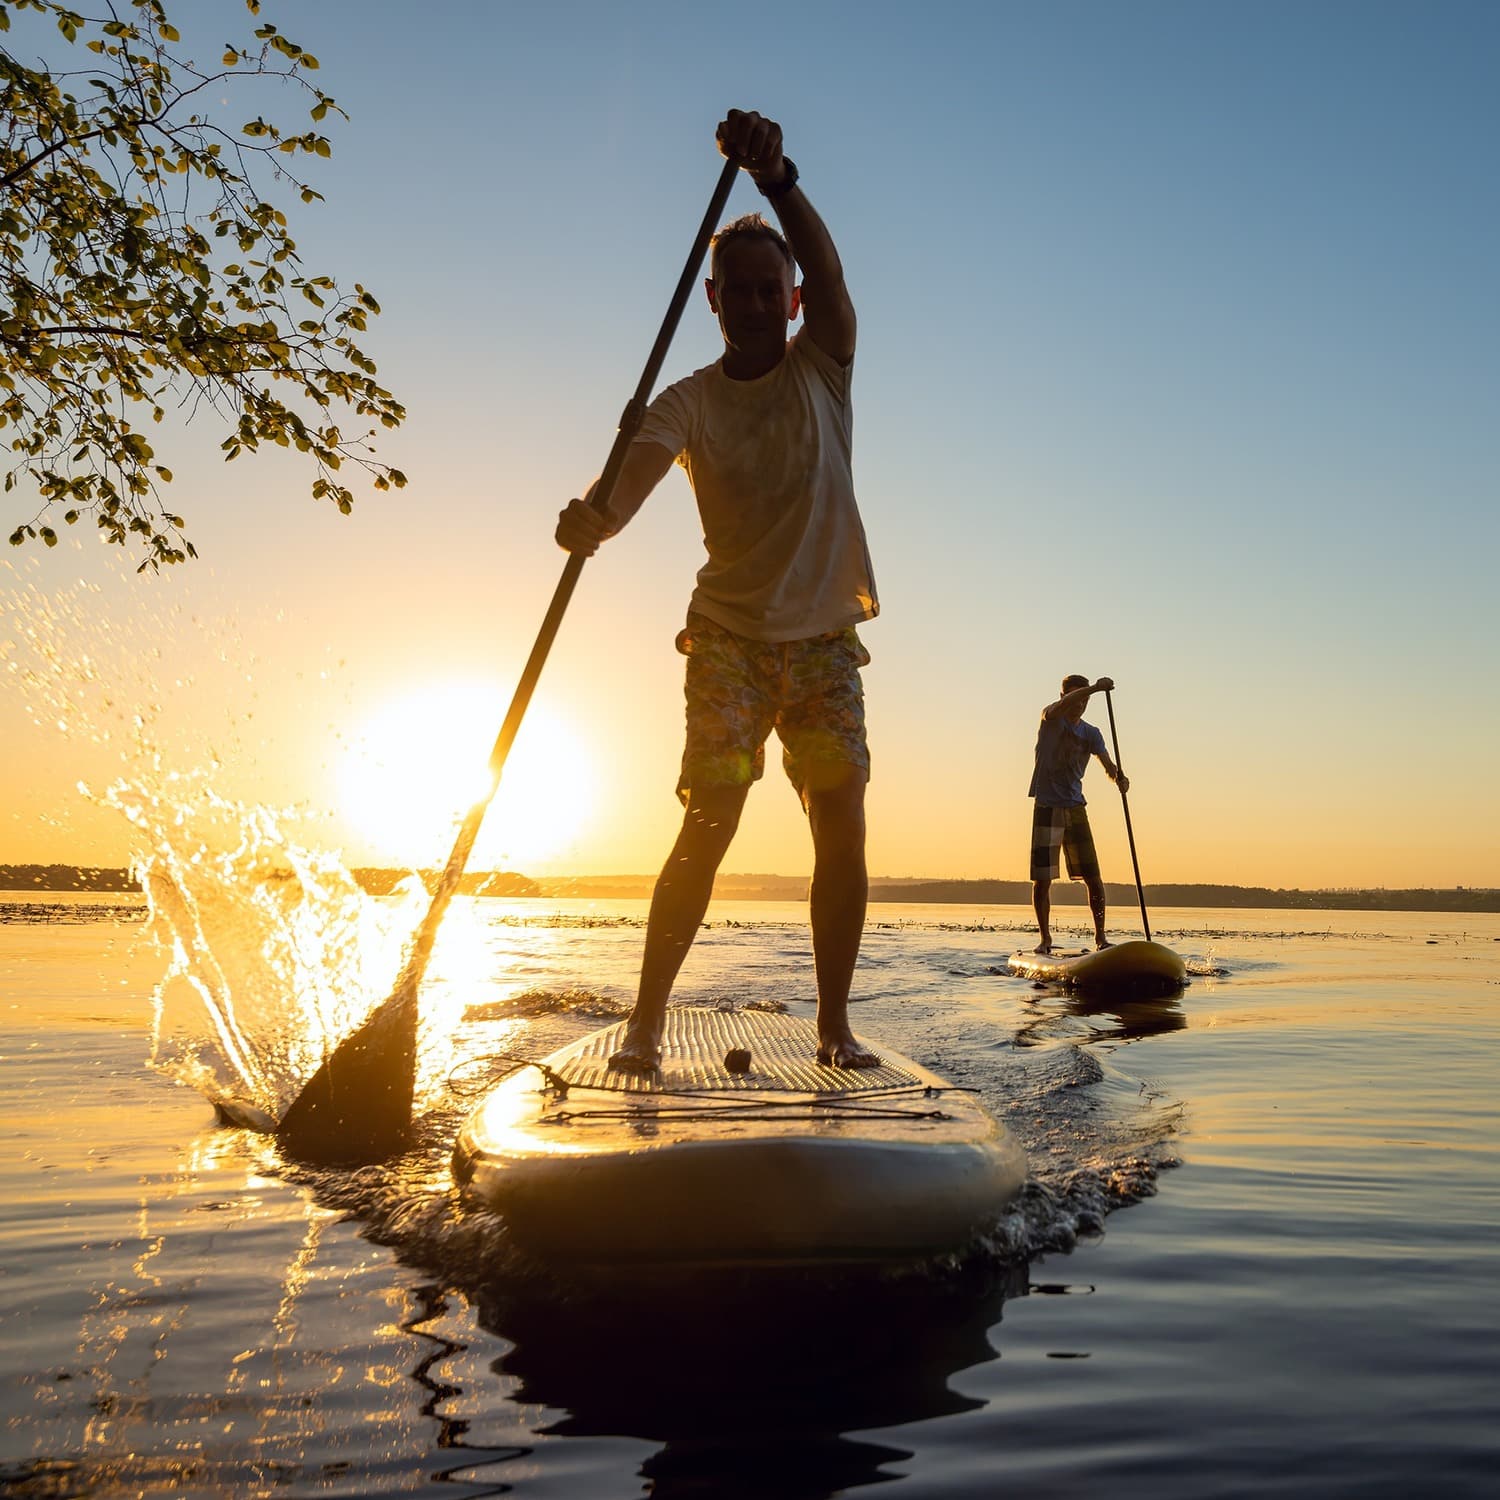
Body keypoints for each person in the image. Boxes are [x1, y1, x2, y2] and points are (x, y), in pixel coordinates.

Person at [555, 109, 880, 1073]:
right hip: (730, 639)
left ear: (789, 300)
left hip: (823, 639)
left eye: (766, 287)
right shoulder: (685, 400)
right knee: (713, 817)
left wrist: (777, 180)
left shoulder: (826, 364)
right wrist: (594, 519)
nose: (750, 300)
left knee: (842, 816)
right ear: (711, 298)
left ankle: (834, 1027)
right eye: (733, 288)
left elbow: (830, 273)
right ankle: (648, 1026)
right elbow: (627, 486)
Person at [1028, 674, 1129, 953]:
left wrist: (1119, 778)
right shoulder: (1050, 718)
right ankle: (1045, 940)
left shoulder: (1091, 733)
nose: (1080, 704)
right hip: (1047, 806)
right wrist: (1095, 688)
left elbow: (1107, 764)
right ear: (1063, 697)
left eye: (1085, 700)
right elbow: (1059, 708)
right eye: (1076, 697)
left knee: (1094, 877)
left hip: (1075, 808)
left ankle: (1100, 938)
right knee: (1043, 879)